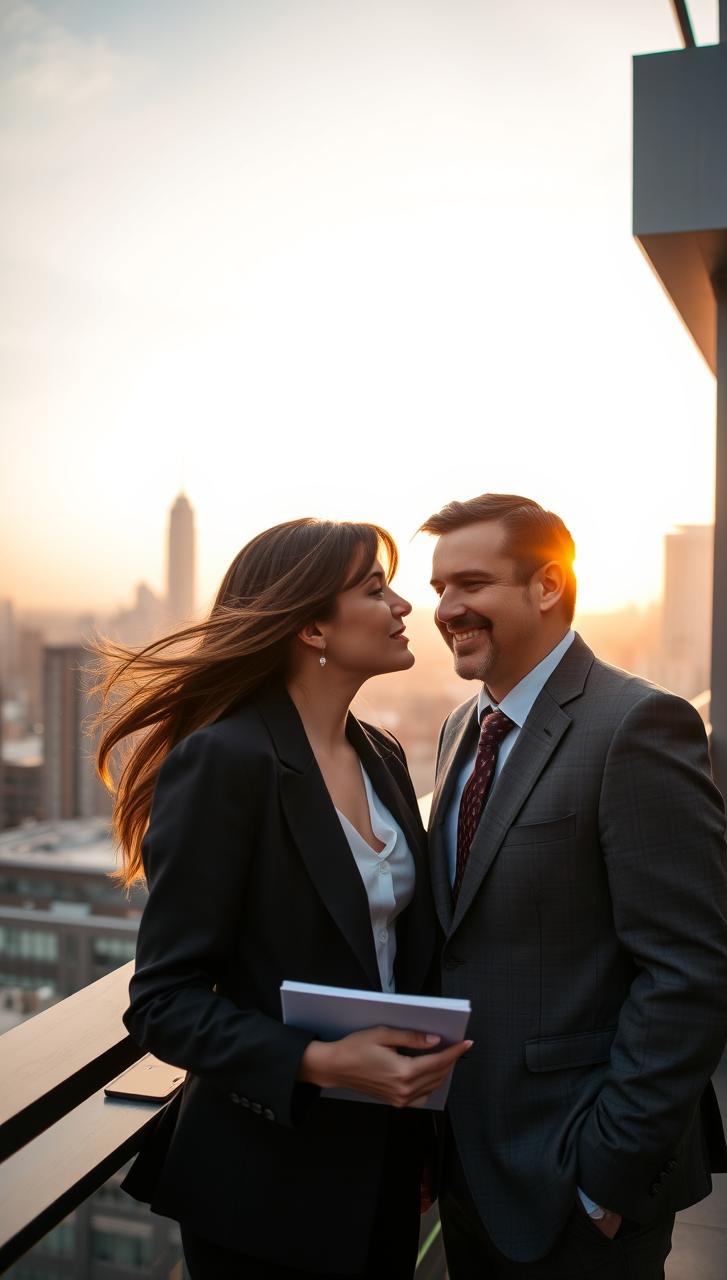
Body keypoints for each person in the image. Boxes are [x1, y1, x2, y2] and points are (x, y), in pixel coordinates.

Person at [95, 518, 470, 1280]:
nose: (404, 606)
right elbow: (162, 1000)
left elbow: (395, 958)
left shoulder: (383, 754)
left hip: (382, 1163)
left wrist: (418, 1140)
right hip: (266, 1189)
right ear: (309, 626)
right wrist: (324, 1062)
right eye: (374, 588)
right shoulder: (225, 760)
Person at [420, 493, 727, 1280]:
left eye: (471, 583)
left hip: (577, 1178)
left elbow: (691, 976)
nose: (447, 609)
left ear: (548, 586)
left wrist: (606, 1175)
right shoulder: (461, 727)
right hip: (469, 1165)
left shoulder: (638, 726)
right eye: (438, 591)